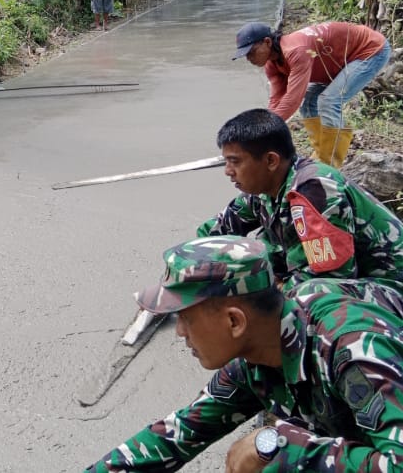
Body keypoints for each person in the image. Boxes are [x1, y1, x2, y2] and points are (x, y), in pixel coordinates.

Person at [86, 235, 403, 471]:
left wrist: (280, 446)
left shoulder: (351, 347)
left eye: (185, 318)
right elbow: (177, 434)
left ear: (234, 321)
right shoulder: (258, 352)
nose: (180, 332)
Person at [197, 108, 403, 290]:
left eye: (235, 162)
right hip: (347, 282)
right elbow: (213, 233)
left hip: (388, 286)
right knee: (246, 262)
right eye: (226, 162)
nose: (228, 171)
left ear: (271, 160)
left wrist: (270, 293)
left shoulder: (315, 189)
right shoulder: (263, 190)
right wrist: (191, 268)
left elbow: (330, 278)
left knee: (300, 295)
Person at [232, 21, 393, 166]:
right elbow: (277, 99)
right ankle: (322, 154)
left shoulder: (296, 51)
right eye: (246, 55)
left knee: (329, 100)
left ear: (267, 42)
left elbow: (292, 100)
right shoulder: (272, 65)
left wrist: (262, 132)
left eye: (251, 52)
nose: (249, 58)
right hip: (341, 60)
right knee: (309, 102)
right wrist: (262, 127)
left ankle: (330, 163)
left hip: (369, 51)